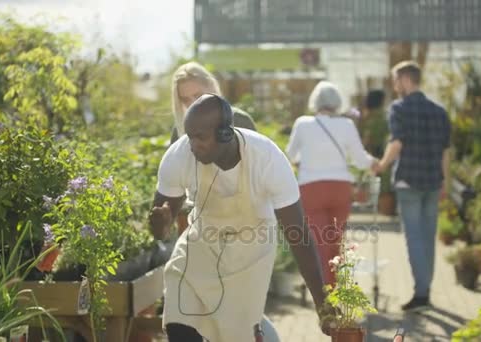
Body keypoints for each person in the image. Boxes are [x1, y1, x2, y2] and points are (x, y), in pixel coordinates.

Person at [149, 94, 334, 342]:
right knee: (178, 319)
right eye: (189, 135)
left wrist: (322, 304)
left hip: (252, 251)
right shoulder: (179, 156)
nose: (193, 144)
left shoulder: (268, 159)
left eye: (200, 137)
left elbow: (298, 235)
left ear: (225, 133)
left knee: (238, 335)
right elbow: (159, 229)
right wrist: (160, 226)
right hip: (201, 244)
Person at [373, 61, 451, 311]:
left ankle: (421, 293)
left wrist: (382, 165)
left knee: (414, 238)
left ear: (406, 79)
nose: (395, 86)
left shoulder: (399, 108)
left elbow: (397, 143)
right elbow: (445, 151)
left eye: (396, 80)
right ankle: (425, 289)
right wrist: (445, 182)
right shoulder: (439, 111)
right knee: (428, 237)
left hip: (408, 180)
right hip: (432, 181)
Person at [285, 81, 378, 286]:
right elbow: (360, 160)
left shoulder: (303, 124)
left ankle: (326, 296)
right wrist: (375, 163)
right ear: (337, 103)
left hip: (311, 189)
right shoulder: (347, 125)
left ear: (315, 102)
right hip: (340, 188)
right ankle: (336, 288)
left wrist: (304, 160)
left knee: (320, 242)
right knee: (336, 241)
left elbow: (288, 156)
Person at [169, 61, 256, 145]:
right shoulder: (179, 130)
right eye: (185, 100)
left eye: (198, 96)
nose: (193, 104)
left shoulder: (239, 120)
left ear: (211, 87)